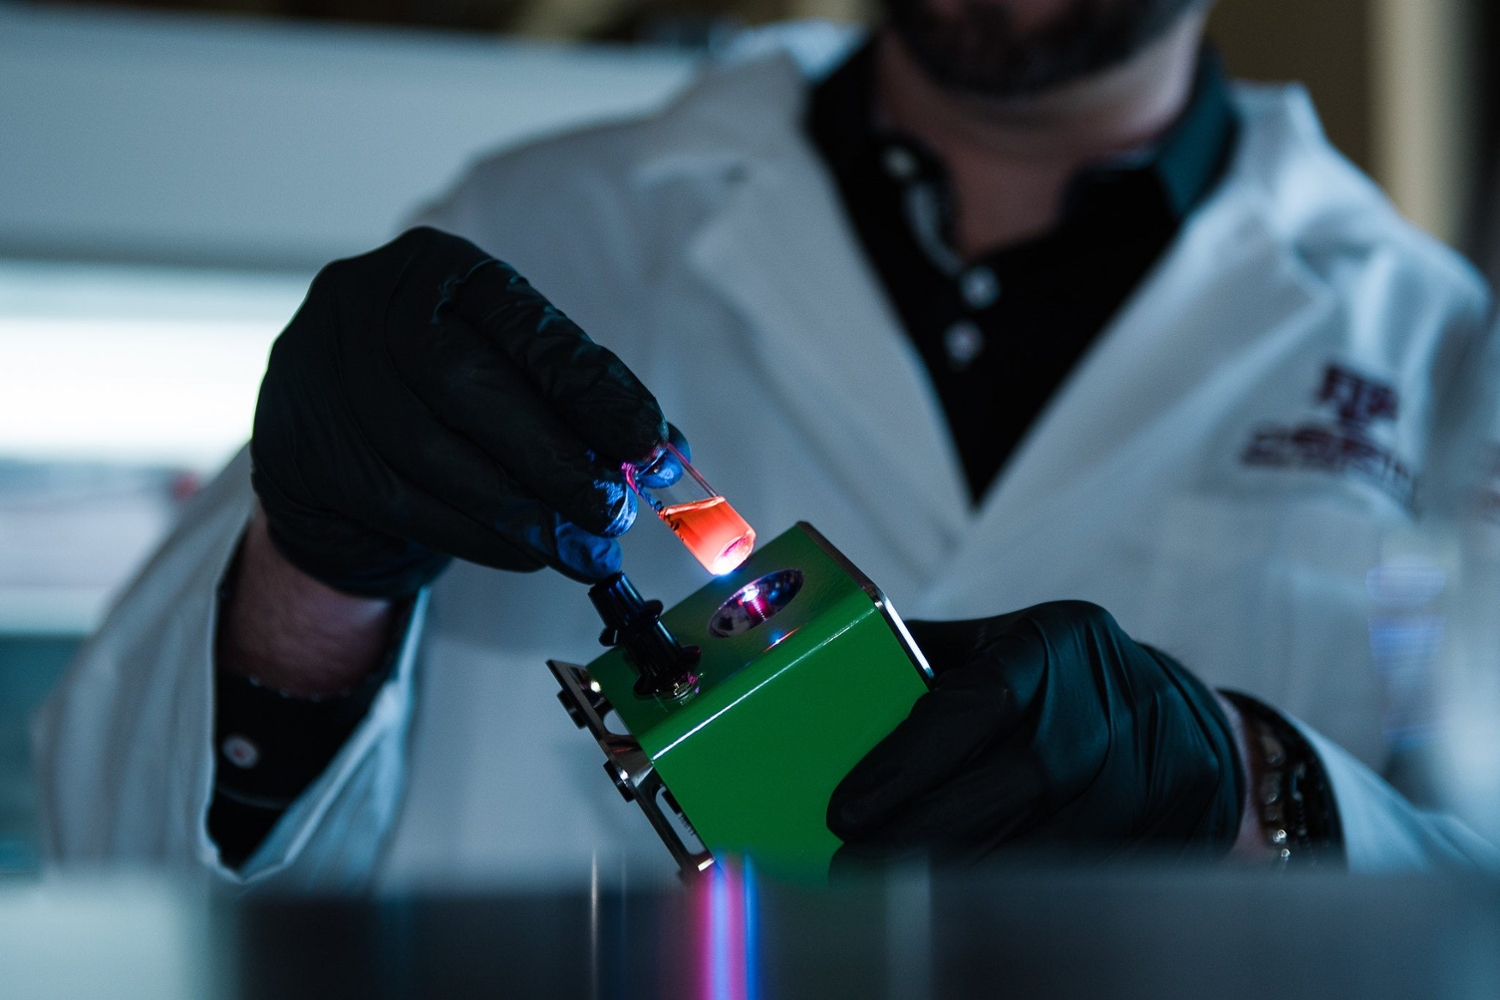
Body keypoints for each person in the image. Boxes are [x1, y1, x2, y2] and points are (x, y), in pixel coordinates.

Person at [33, 0, 1496, 887]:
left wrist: (1246, 784)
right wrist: (316, 567)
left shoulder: (1441, 351)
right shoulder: (533, 225)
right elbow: (118, 845)